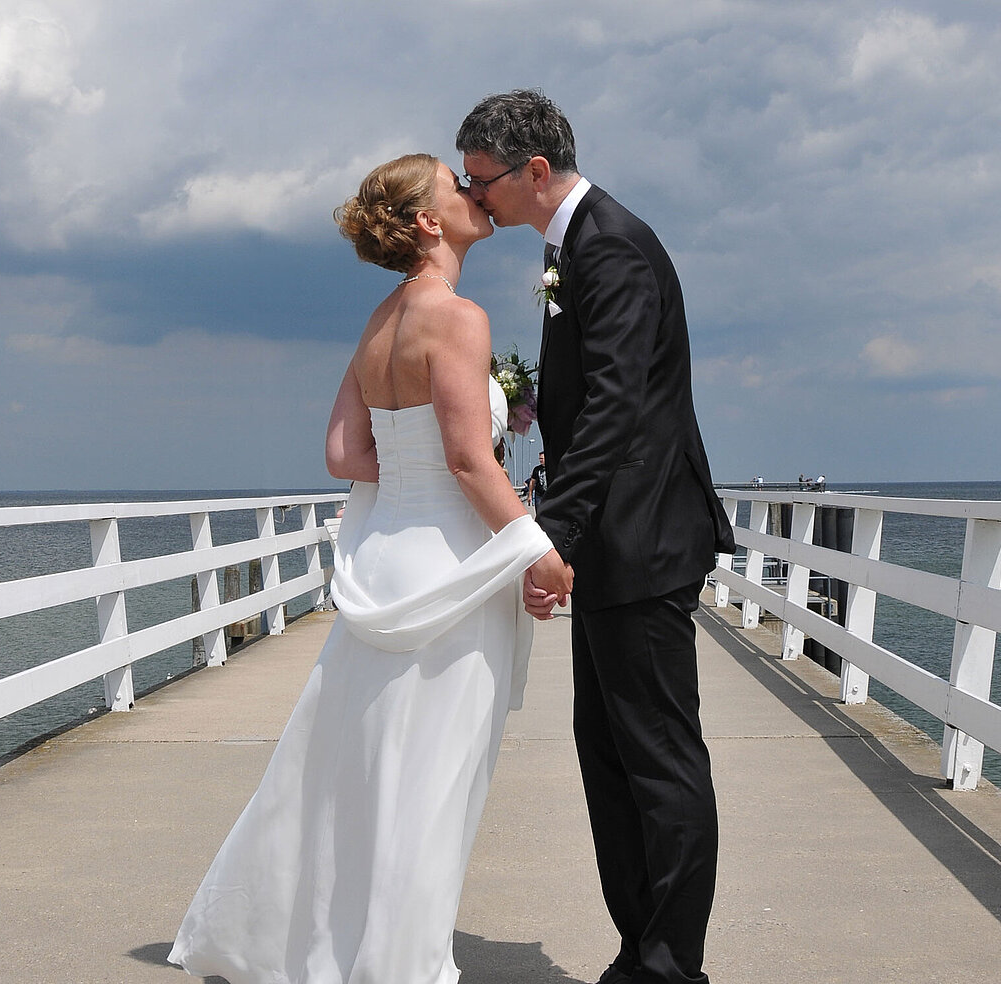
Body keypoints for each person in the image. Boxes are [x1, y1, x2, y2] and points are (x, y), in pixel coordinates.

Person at [169, 153, 570, 984]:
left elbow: (342, 453)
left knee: (361, 773)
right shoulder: (456, 317)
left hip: (386, 560)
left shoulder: (381, 320)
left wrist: (421, 470)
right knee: (430, 784)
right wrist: (538, 548)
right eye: (457, 187)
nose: (474, 192)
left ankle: (332, 948)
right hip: (449, 572)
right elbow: (468, 459)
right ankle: (402, 966)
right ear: (429, 222)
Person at [457, 91, 736, 984]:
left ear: (534, 171)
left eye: (483, 181)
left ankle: (670, 966)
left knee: (656, 759)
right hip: (618, 540)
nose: (477, 199)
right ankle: (639, 950)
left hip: (643, 540)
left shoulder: (609, 244)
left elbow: (617, 405)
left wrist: (554, 536)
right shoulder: (571, 246)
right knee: (607, 752)